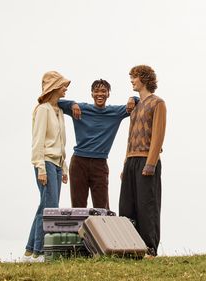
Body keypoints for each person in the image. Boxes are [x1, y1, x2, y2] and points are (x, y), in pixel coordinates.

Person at [58, 79, 137, 209]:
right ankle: (79, 230)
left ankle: (102, 229)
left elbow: (140, 104)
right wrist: (72, 104)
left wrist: (132, 98)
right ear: (92, 94)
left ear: (108, 94)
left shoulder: (115, 112)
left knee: (102, 208)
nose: (99, 94)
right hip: (79, 162)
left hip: (100, 164)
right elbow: (55, 101)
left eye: (103, 91)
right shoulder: (81, 108)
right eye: (96, 91)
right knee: (78, 207)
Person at [22, 71, 70, 262]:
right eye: (64, 85)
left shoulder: (58, 111)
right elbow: (38, 140)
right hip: (46, 163)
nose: (66, 88)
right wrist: (40, 167)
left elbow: (60, 141)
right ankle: (40, 252)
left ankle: (29, 251)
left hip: (57, 164)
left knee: (46, 206)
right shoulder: (43, 109)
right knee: (50, 208)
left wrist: (64, 167)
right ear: (55, 87)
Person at [119, 65, 166, 257]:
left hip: (147, 159)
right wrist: (125, 164)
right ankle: (131, 247)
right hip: (131, 161)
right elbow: (130, 137)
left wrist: (151, 162)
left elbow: (158, 135)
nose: (131, 80)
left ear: (144, 79)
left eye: (134, 77)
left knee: (147, 205)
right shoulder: (135, 107)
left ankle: (150, 249)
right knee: (126, 206)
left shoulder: (158, 103)